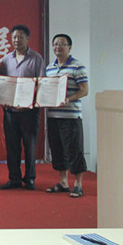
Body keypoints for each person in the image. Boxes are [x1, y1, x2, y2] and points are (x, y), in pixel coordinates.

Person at [0, 25, 45, 190]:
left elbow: (41, 82)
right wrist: (3, 100)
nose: (17, 40)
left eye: (20, 37)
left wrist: (33, 99)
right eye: (14, 37)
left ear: (27, 39)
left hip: (29, 111)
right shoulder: (6, 60)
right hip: (11, 111)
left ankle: (30, 178)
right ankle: (14, 178)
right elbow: (2, 83)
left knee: (30, 146)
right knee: (12, 146)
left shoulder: (36, 58)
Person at [44, 34, 89, 198]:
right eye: (55, 44)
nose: (58, 47)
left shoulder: (77, 66)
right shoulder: (50, 68)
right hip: (53, 115)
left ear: (69, 47)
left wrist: (69, 99)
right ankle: (63, 182)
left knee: (74, 150)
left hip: (71, 116)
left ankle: (78, 184)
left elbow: (84, 90)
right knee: (57, 149)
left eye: (62, 44)